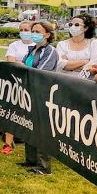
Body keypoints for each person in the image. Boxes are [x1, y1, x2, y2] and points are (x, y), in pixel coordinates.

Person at [18, 21, 59, 175]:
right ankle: (31, 160)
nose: (33, 34)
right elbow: (22, 66)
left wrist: (24, 71)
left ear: (47, 34)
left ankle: (44, 166)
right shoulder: (32, 50)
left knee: (42, 130)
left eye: (37, 31)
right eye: (32, 31)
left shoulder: (50, 51)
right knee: (28, 125)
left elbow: (41, 72)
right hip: (28, 93)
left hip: (42, 94)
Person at [0, 21, 35, 155]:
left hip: (33, 85)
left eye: (27, 29)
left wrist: (21, 64)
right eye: (21, 29)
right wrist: (25, 65)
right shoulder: (14, 45)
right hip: (16, 84)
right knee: (13, 112)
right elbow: (11, 63)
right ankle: (8, 143)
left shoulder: (37, 47)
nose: (23, 32)